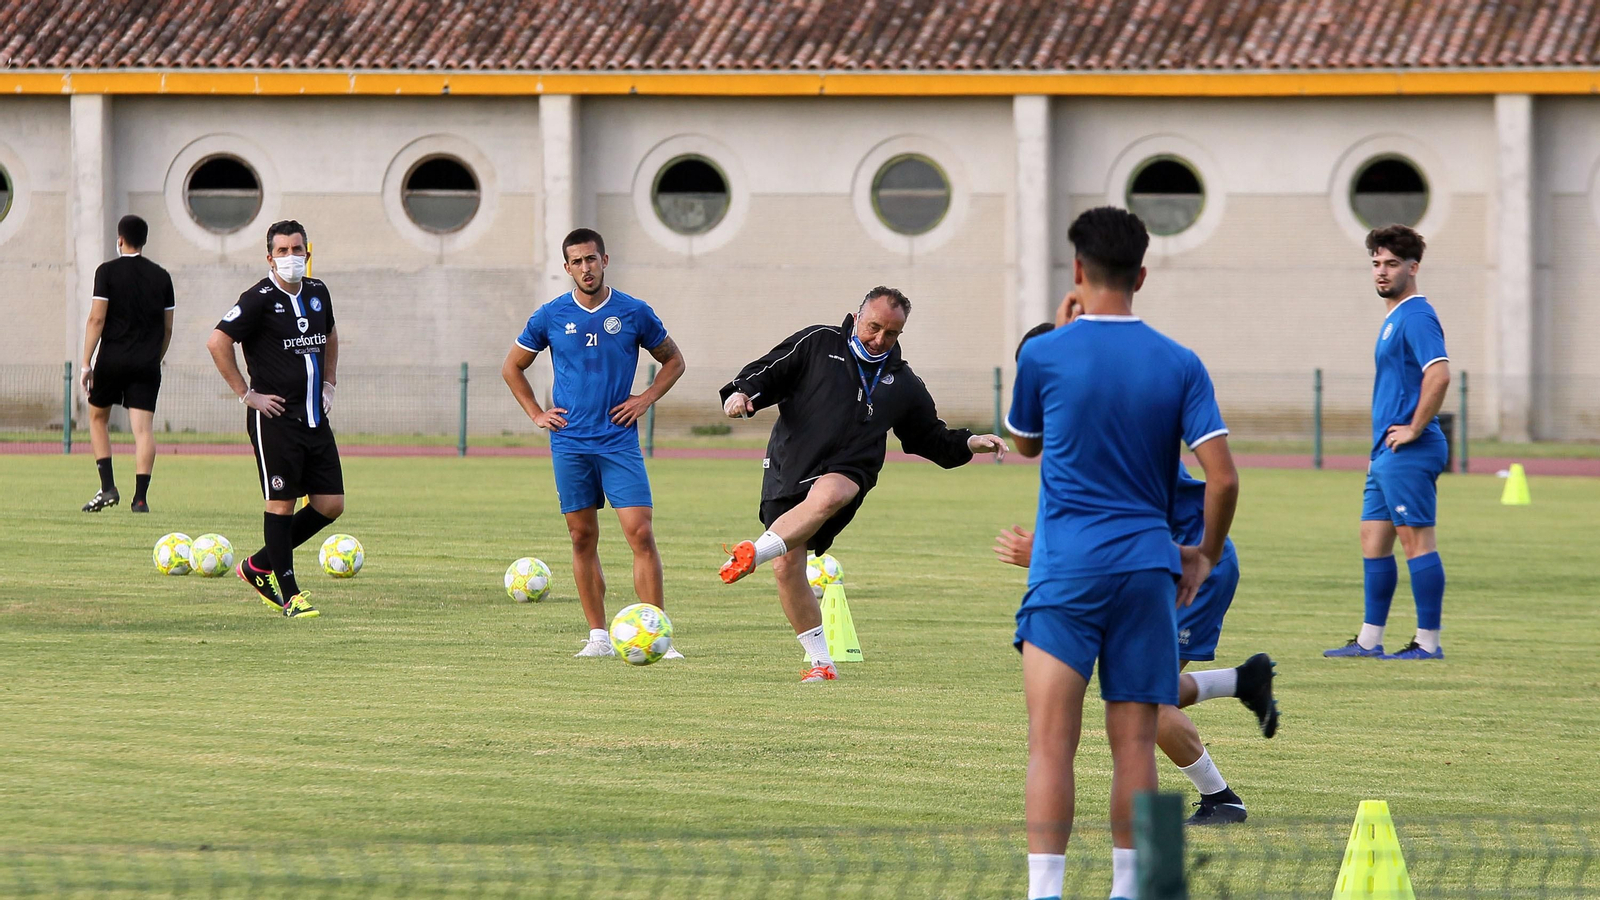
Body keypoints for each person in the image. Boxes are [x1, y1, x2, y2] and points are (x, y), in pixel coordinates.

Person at [1007, 207, 1239, 900]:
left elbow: (1025, 444)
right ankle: (1136, 890)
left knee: (1051, 745)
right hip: (1147, 568)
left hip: (1066, 569)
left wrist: (1057, 330)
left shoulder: (1044, 353)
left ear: (1078, 270)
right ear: (1142, 274)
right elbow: (1223, 477)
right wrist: (1202, 553)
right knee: (1136, 745)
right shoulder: (1180, 360)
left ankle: (1046, 894)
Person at [997, 312, 1277, 829]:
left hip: (1184, 562)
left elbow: (1121, 523)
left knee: (1137, 710)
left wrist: (1048, 556)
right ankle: (1242, 682)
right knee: (1134, 703)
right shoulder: (1083, 421)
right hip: (1153, 563)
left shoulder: (1101, 427)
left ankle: (1219, 803)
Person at [716, 286, 1008, 683]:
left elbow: (929, 437)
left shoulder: (903, 382)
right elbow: (769, 371)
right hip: (790, 464)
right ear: (856, 318)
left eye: (891, 334)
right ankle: (821, 662)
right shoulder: (818, 343)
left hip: (851, 469)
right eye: (874, 328)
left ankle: (754, 551)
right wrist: (741, 393)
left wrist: (972, 442)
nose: (880, 339)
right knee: (787, 566)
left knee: (831, 493)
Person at [502, 228, 686, 658]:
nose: (586, 268)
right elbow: (512, 367)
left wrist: (645, 399)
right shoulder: (549, 315)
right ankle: (599, 637)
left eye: (592, 259)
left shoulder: (634, 312)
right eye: (577, 262)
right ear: (566, 268)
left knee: (640, 532)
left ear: (606, 260)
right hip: (569, 442)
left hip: (618, 440)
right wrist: (536, 413)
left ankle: (657, 633)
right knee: (581, 537)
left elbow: (673, 360)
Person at [205, 220, 343, 619]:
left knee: (331, 504)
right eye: (282, 251)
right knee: (280, 504)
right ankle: (290, 595)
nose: (290, 257)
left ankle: (257, 565)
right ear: (269, 258)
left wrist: (329, 381)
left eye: (296, 249)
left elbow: (330, 334)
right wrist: (247, 394)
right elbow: (217, 341)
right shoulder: (257, 299)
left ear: (307, 253)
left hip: (315, 417)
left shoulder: (318, 292)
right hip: (276, 420)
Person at [1325, 225, 1450, 661]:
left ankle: (1427, 643)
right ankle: (1368, 640)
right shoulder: (1394, 315)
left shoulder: (1416, 315)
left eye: (1392, 264)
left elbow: (1440, 373)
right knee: (1372, 539)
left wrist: (1414, 428)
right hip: (1386, 451)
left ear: (1413, 268)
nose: (1381, 272)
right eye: (1376, 263)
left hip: (1409, 449)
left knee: (1416, 541)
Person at [79, 215, 174, 513]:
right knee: (143, 430)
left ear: (120, 239)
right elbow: (168, 328)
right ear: (144, 241)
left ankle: (107, 487)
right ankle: (140, 498)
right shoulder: (162, 277)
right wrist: (154, 359)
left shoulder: (106, 272)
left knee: (97, 419)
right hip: (146, 363)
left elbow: (97, 318)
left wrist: (86, 362)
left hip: (112, 360)